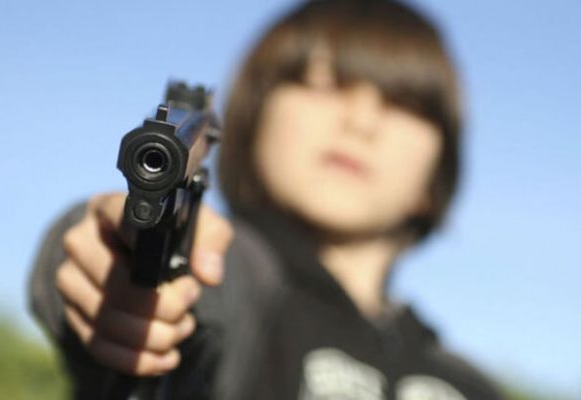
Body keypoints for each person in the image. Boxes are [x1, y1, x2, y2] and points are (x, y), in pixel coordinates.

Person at [29, 1, 505, 399]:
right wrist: (114, 262)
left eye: (403, 103)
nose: (360, 121)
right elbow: (130, 266)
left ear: (434, 176)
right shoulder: (235, 280)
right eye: (324, 85)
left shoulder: (471, 386)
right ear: (255, 120)